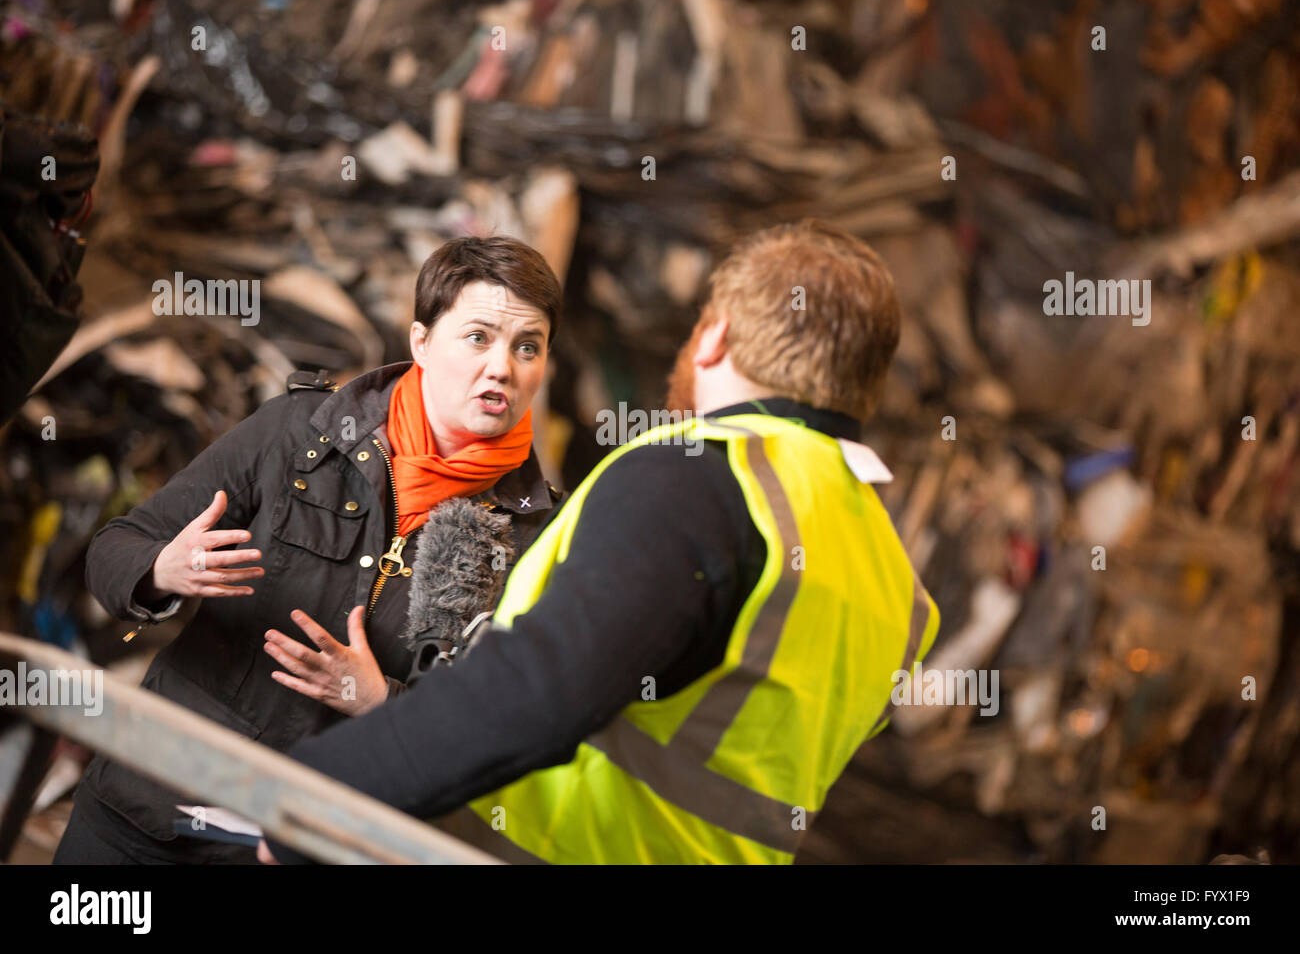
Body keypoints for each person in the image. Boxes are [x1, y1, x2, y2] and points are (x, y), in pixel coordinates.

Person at [261, 219, 942, 865]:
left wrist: (316, 798)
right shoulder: (896, 583)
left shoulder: (706, 476)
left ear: (714, 338)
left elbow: (536, 689)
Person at [55, 235, 564, 864]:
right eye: (478, 337)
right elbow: (114, 549)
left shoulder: (535, 536)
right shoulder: (300, 433)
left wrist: (381, 703)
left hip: (304, 842)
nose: (503, 367)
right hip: (147, 809)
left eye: (527, 347)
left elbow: (500, 728)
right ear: (421, 343)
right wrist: (162, 569)